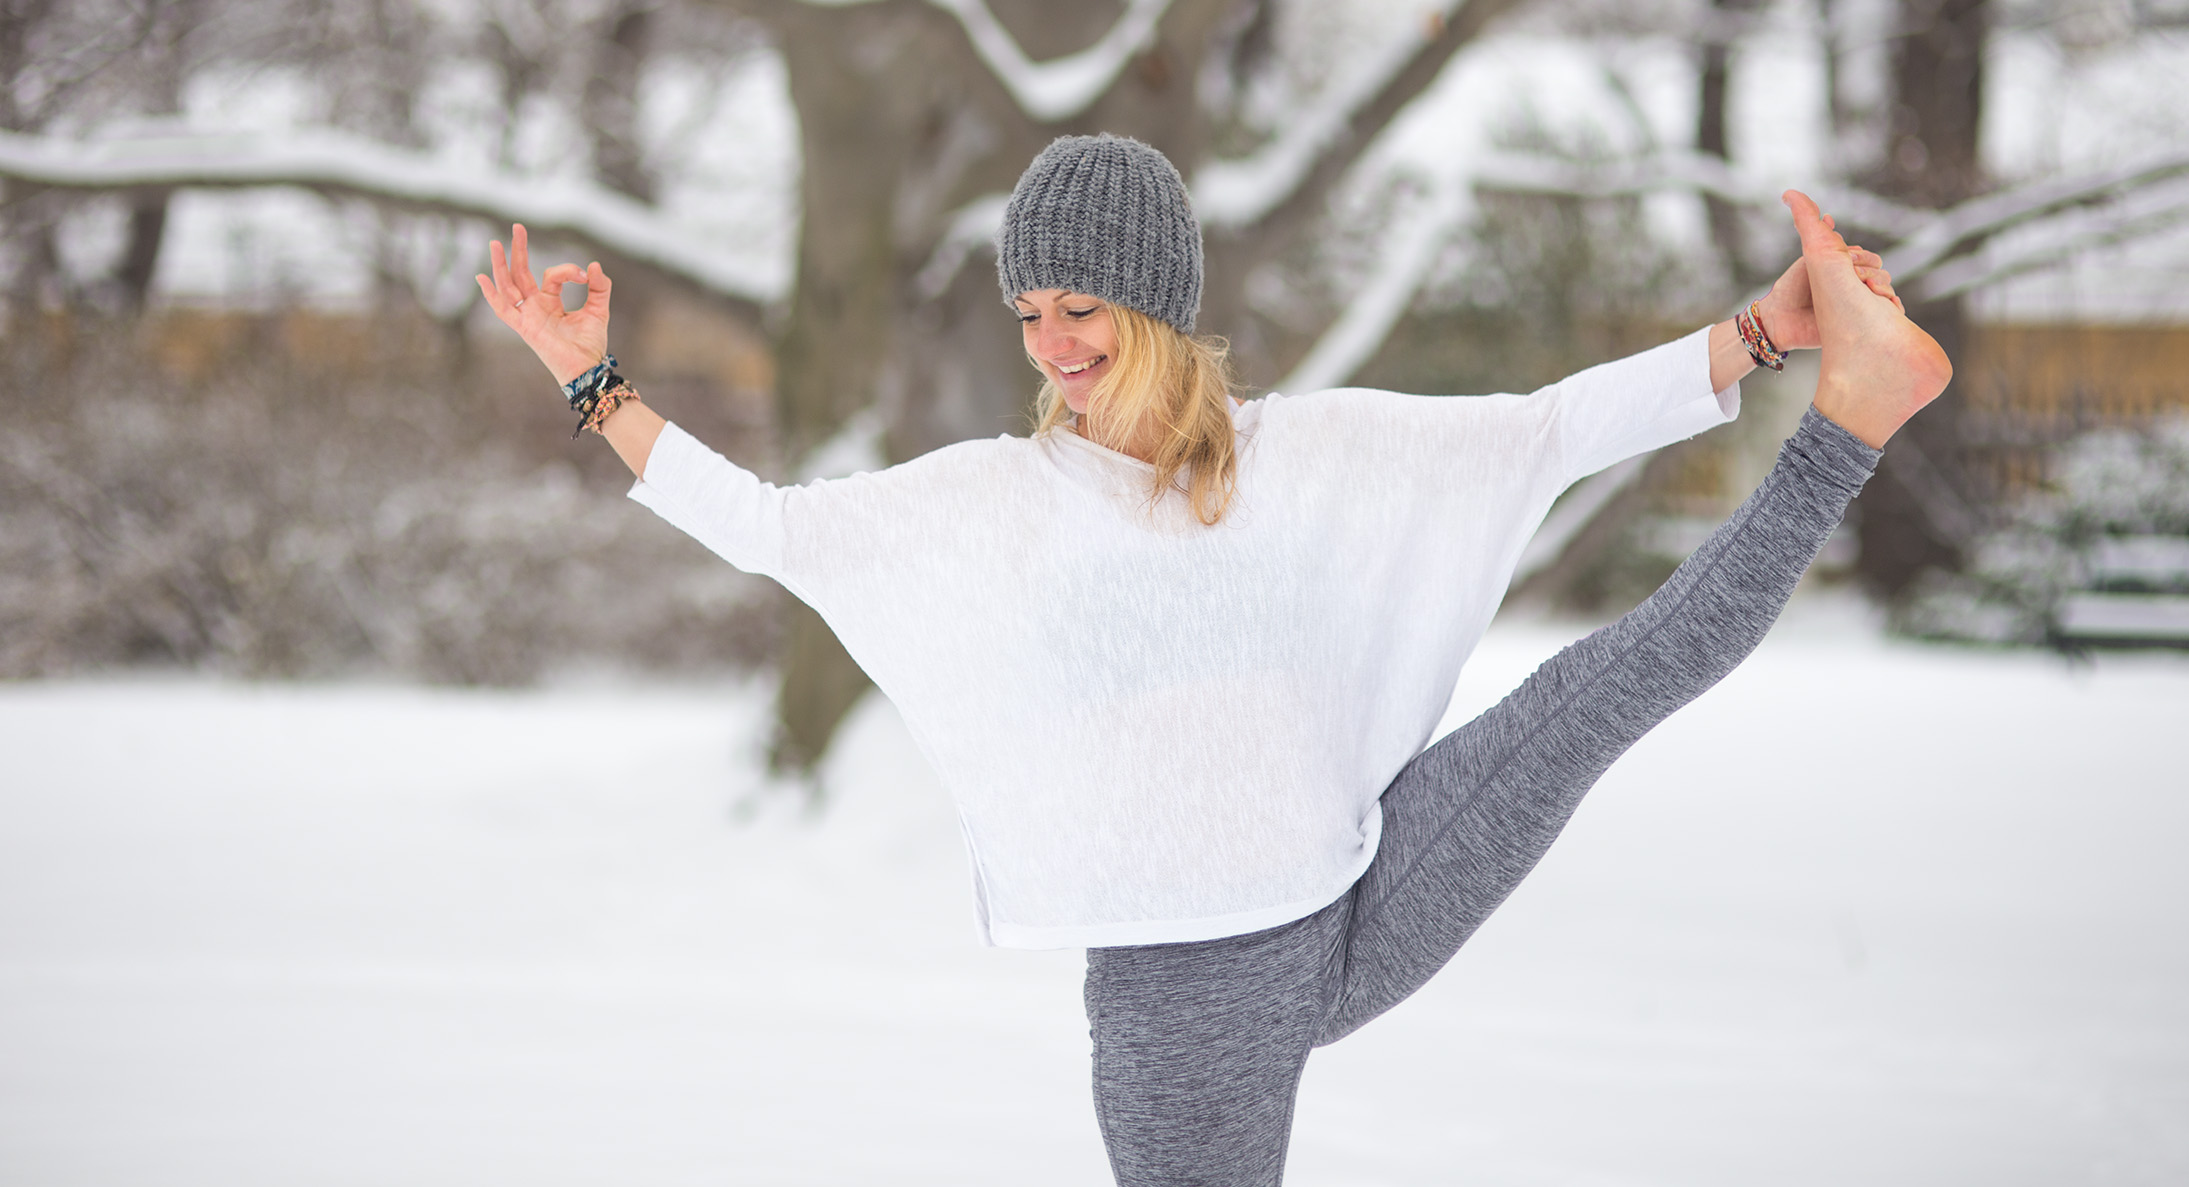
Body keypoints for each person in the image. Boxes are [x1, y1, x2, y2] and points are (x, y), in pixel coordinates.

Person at [476, 135, 1948, 1186]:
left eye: (1081, 305)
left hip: (1354, 879)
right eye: (1030, 312)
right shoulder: (998, 499)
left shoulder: (1306, 456)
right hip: (1184, 1001)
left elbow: (1546, 429)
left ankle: (1855, 416)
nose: (1051, 341)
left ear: (1155, 303)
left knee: (1601, 688)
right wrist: (590, 382)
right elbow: (775, 530)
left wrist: (1768, 329)